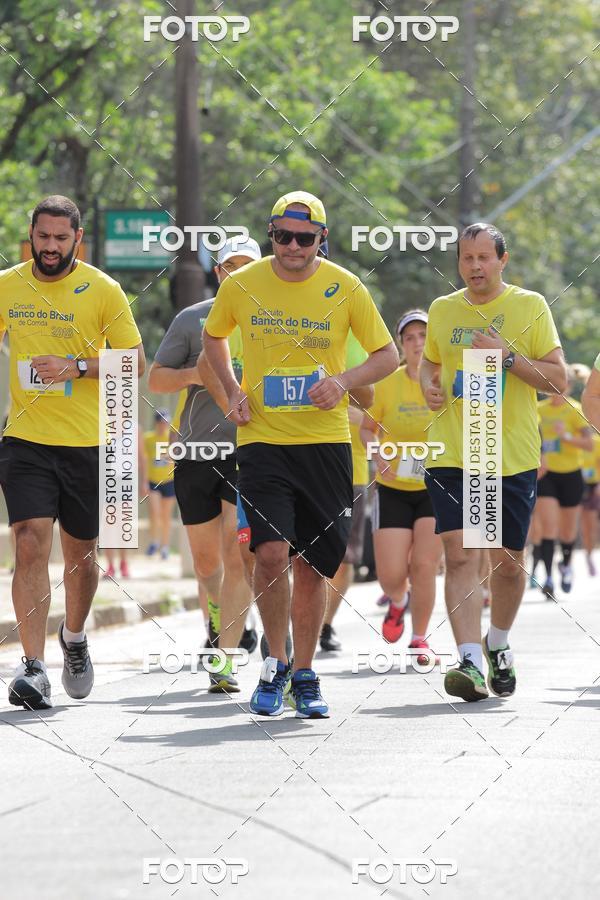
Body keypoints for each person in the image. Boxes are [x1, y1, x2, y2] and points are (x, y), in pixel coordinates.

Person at [203, 190, 398, 718]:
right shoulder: (243, 284)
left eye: (304, 238)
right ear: (272, 236)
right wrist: (231, 390)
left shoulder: (346, 287)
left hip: (326, 445)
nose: (293, 246)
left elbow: (388, 355)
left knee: (315, 564)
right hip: (264, 442)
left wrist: (343, 381)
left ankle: (306, 673)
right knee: (268, 554)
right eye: (283, 236)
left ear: (322, 239)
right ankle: (275, 663)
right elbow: (213, 337)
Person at [0, 195, 144, 709]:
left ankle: (75, 638)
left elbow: (134, 361)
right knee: (31, 543)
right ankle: (33, 667)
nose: (52, 247)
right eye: (43, 237)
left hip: (89, 442)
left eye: (62, 238)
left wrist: (76, 367)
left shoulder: (103, 290)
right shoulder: (9, 284)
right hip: (26, 439)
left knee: (82, 558)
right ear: (31, 236)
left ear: (77, 239)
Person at [420, 222, 567, 702]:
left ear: (503, 260)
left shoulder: (529, 306)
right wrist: (428, 381)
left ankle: (497, 643)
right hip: (453, 450)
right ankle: (467, 660)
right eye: (467, 258)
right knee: (460, 554)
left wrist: (506, 358)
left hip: (506, 453)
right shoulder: (443, 311)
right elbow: (430, 361)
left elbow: (558, 379)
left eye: (485, 257)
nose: (475, 266)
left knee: (506, 565)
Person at [148, 236, 259, 692]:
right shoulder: (193, 320)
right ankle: (219, 620)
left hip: (248, 451)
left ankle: (226, 656)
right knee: (206, 562)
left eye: (247, 266)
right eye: (230, 266)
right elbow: (154, 377)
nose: (238, 273)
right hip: (195, 452)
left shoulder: (269, 321)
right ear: (218, 273)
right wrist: (196, 372)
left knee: (240, 553)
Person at [361, 310, 442, 663]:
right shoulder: (387, 384)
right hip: (393, 487)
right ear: (401, 345)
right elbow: (367, 429)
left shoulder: (446, 379)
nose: (418, 343)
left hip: (436, 486)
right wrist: (376, 455)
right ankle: (397, 601)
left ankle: (420, 638)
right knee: (392, 575)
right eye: (409, 338)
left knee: (424, 565)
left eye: (424, 335)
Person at [320, 331, 373, 653]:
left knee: (344, 557)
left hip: (352, 472)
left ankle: (325, 623)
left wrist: (358, 415)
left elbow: (380, 413)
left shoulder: (367, 347)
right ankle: (296, 620)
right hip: (310, 467)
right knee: (300, 555)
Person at [535, 366, 592, 597]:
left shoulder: (576, 410)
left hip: (571, 474)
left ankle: (566, 566)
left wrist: (566, 437)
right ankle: (548, 578)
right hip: (545, 475)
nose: (558, 390)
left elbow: (588, 445)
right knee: (548, 527)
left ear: (569, 386)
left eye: (563, 385)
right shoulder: (539, 410)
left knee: (568, 532)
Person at [143, 409, 176, 559]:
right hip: (153, 481)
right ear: (156, 423)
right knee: (155, 513)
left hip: (169, 480)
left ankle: (165, 547)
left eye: (166, 423)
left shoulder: (173, 437)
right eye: (161, 423)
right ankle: (154, 541)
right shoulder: (148, 438)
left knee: (166, 516)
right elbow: (143, 459)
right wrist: (143, 481)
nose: (164, 425)